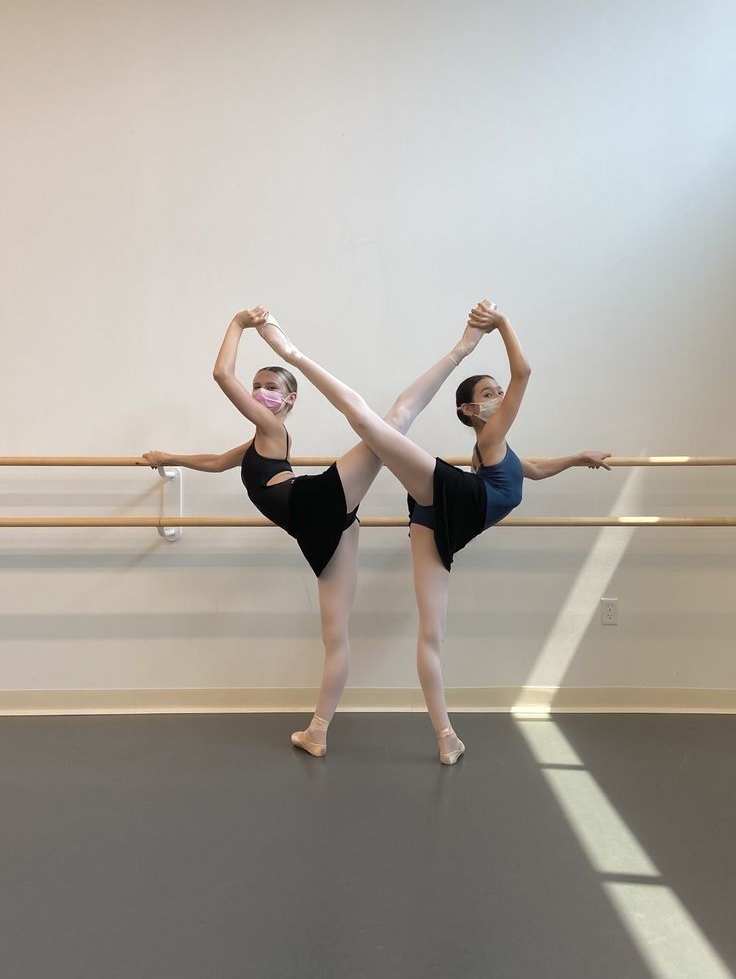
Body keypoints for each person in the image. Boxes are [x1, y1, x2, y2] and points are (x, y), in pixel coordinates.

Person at [252, 300, 612, 764]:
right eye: (491, 392)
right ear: (470, 409)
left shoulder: (496, 449)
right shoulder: (491, 435)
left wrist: (576, 459)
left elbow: (532, 470)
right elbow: (524, 372)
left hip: (442, 519)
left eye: (498, 390)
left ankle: (444, 739)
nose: (500, 394)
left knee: (432, 633)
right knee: (381, 420)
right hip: (458, 502)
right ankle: (294, 352)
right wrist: (499, 325)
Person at [143, 306, 495, 757]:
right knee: (335, 636)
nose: (259, 393)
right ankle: (318, 731)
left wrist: (238, 323)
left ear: (289, 402)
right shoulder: (258, 442)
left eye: (271, 387)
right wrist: (168, 456)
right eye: (257, 386)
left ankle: (461, 350)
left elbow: (219, 374)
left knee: (394, 419)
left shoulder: (269, 427)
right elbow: (215, 462)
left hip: (313, 503)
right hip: (323, 529)